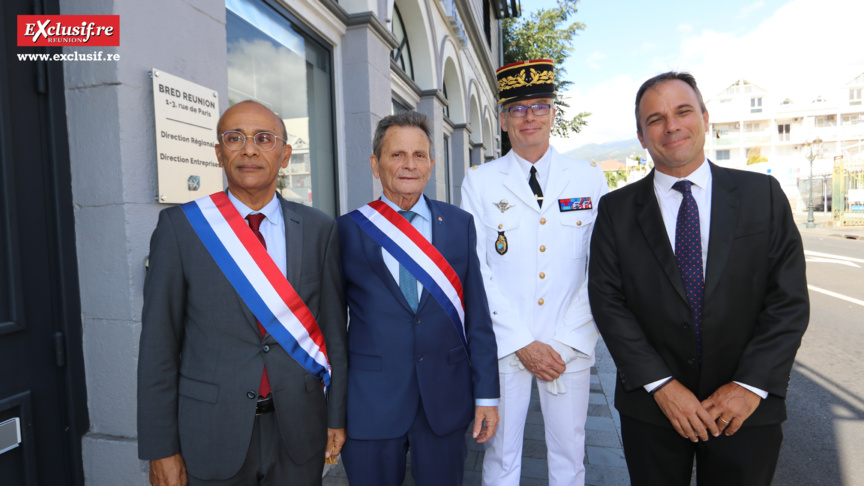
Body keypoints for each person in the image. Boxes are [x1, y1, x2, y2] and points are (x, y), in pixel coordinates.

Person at [588, 71, 810, 485]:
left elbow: (789, 301)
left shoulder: (762, 195)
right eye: (655, 119)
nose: (671, 125)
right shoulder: (615, 211)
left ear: (705, 118)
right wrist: (662, 386)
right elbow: (607, 301)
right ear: (641, 136)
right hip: (653, 409)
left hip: (745, 410)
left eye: (683, 111)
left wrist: (748, 386)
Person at [137, 100, 347, 485]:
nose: (249, 149)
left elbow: (334, 332)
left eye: (263, 139)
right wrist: (160, 447)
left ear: (285, 155)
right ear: (219, 153)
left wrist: (336, 417)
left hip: (299, 429)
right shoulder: (181, 228)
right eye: (235, 138)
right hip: (210, 432)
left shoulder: (320, 230)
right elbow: (158, 347)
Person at [460, 59, 609, 486]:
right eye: (518, 109)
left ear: (553, 115)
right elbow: (477, 267)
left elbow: (600, 269)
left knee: (569, 457)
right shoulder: (481, 182)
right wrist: (522, 342)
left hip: (570, 345)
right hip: (507, 346)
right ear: (504, 119)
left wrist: (564, 341)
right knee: (501, 457)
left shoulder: (588, 178)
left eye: (539, 106)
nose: (529, 117)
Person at [336, 111, 500, 486]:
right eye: (396, 155)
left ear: (431, 164)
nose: (409, 165)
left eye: (419, 155)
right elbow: (331, 324)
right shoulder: (345, 230)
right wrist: (333, 411)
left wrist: (487, 394)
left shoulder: (459, 224)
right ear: (376, 165)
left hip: (444, 398)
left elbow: (478, 317)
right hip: (370, 402)